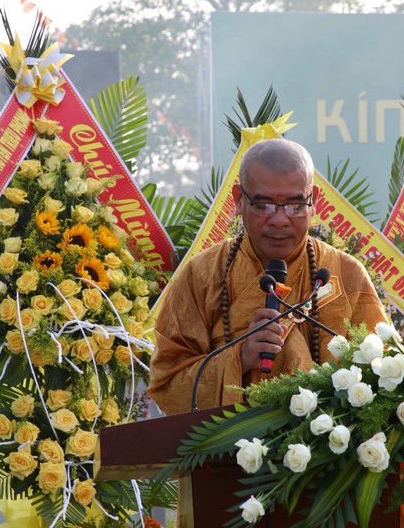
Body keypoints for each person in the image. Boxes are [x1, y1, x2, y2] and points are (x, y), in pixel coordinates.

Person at [147, 137, 390, 414]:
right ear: (239, 200)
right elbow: (168, 382)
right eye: (264, 205)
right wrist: (241, 357)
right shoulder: (202, 275)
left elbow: (383, 378)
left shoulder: (346, 275)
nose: (279, 220)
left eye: (295, 205)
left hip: (326, 451)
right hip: (224, 453)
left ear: (313, 202)